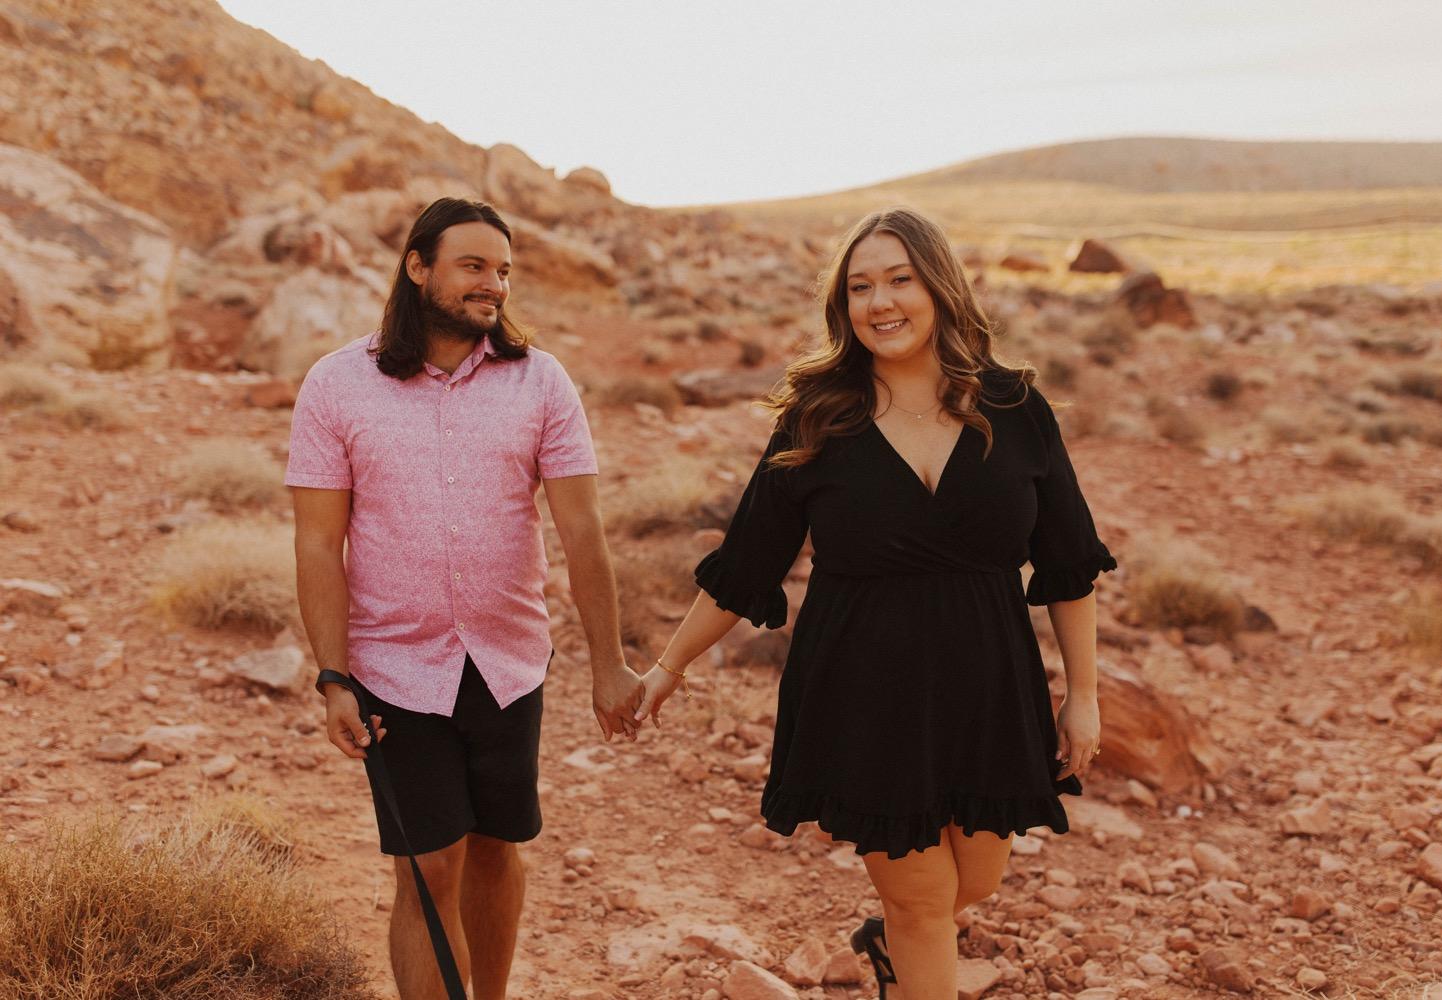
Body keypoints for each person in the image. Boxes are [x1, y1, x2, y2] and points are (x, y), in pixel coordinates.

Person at [636, 207, 1116, 1000]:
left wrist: (1085, 698)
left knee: (977, 879)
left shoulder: (1014, 408)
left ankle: (890, 946)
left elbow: (1068, 565)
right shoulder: (819, 415)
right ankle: (910, 950)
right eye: (860, 287)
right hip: (864, 684)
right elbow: (748, 563)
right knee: (923, 902)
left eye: (899, 280)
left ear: (938, 286)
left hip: (989, 683)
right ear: (842, 305)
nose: (880, 302)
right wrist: (668, 667)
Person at [286, 197, 644, 1000]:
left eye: (504, 270)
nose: (494, 284)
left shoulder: (541, 382)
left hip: (508, 664)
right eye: (474, 266)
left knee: (494, 846)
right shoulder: (337, 384)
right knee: (427, 867)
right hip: (393, 668)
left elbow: (582, 531)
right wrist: (333, 676)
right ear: (418, 267)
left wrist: (611, 665)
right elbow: (317, 542)